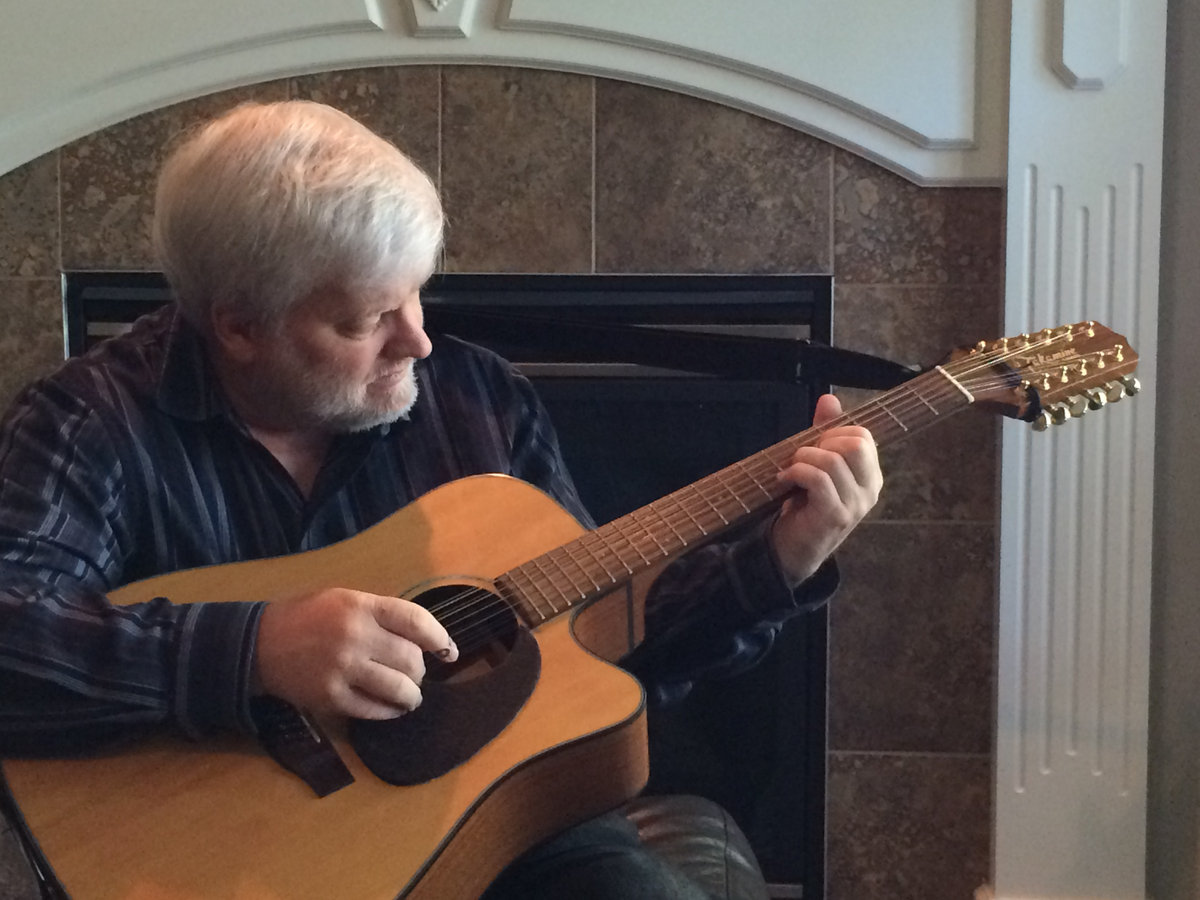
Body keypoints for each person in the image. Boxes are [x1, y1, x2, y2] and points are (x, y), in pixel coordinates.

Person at [0, 101, 882, 898]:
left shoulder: (477, 402)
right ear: (239, 325)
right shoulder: (90, 422)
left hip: (496, 827)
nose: (418, 340)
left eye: (416, 295)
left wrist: (779, 560)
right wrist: (255, 650)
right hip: (222, 862)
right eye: (367, 319)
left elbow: (599, 651)